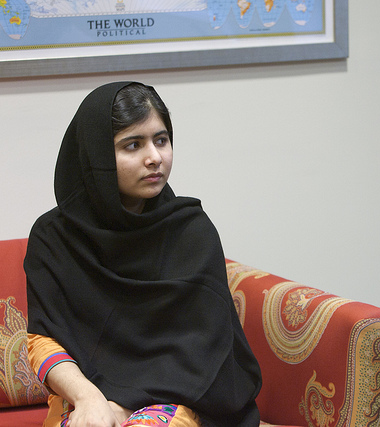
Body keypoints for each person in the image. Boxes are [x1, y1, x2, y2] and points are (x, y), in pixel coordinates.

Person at [25, 82, 262, 427]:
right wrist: (90, 398)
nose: (154, 157)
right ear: (96, 155)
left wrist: (123, 406)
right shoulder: (54, 237)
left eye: (161, 140)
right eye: (132, 145)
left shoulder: (191, 230)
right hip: (84, 396)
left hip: (180, 398)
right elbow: (43, 339)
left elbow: (203, 352)